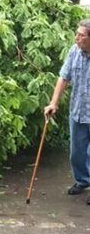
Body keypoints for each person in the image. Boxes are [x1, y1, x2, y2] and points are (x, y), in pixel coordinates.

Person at [45, 19, 90, 202]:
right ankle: (82, 180)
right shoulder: (74, 52)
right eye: (77, 33)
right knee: (76, 152)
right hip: (78, 111)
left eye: (81, 35)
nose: (76, 38)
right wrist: (53, 103)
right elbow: (64, 78)